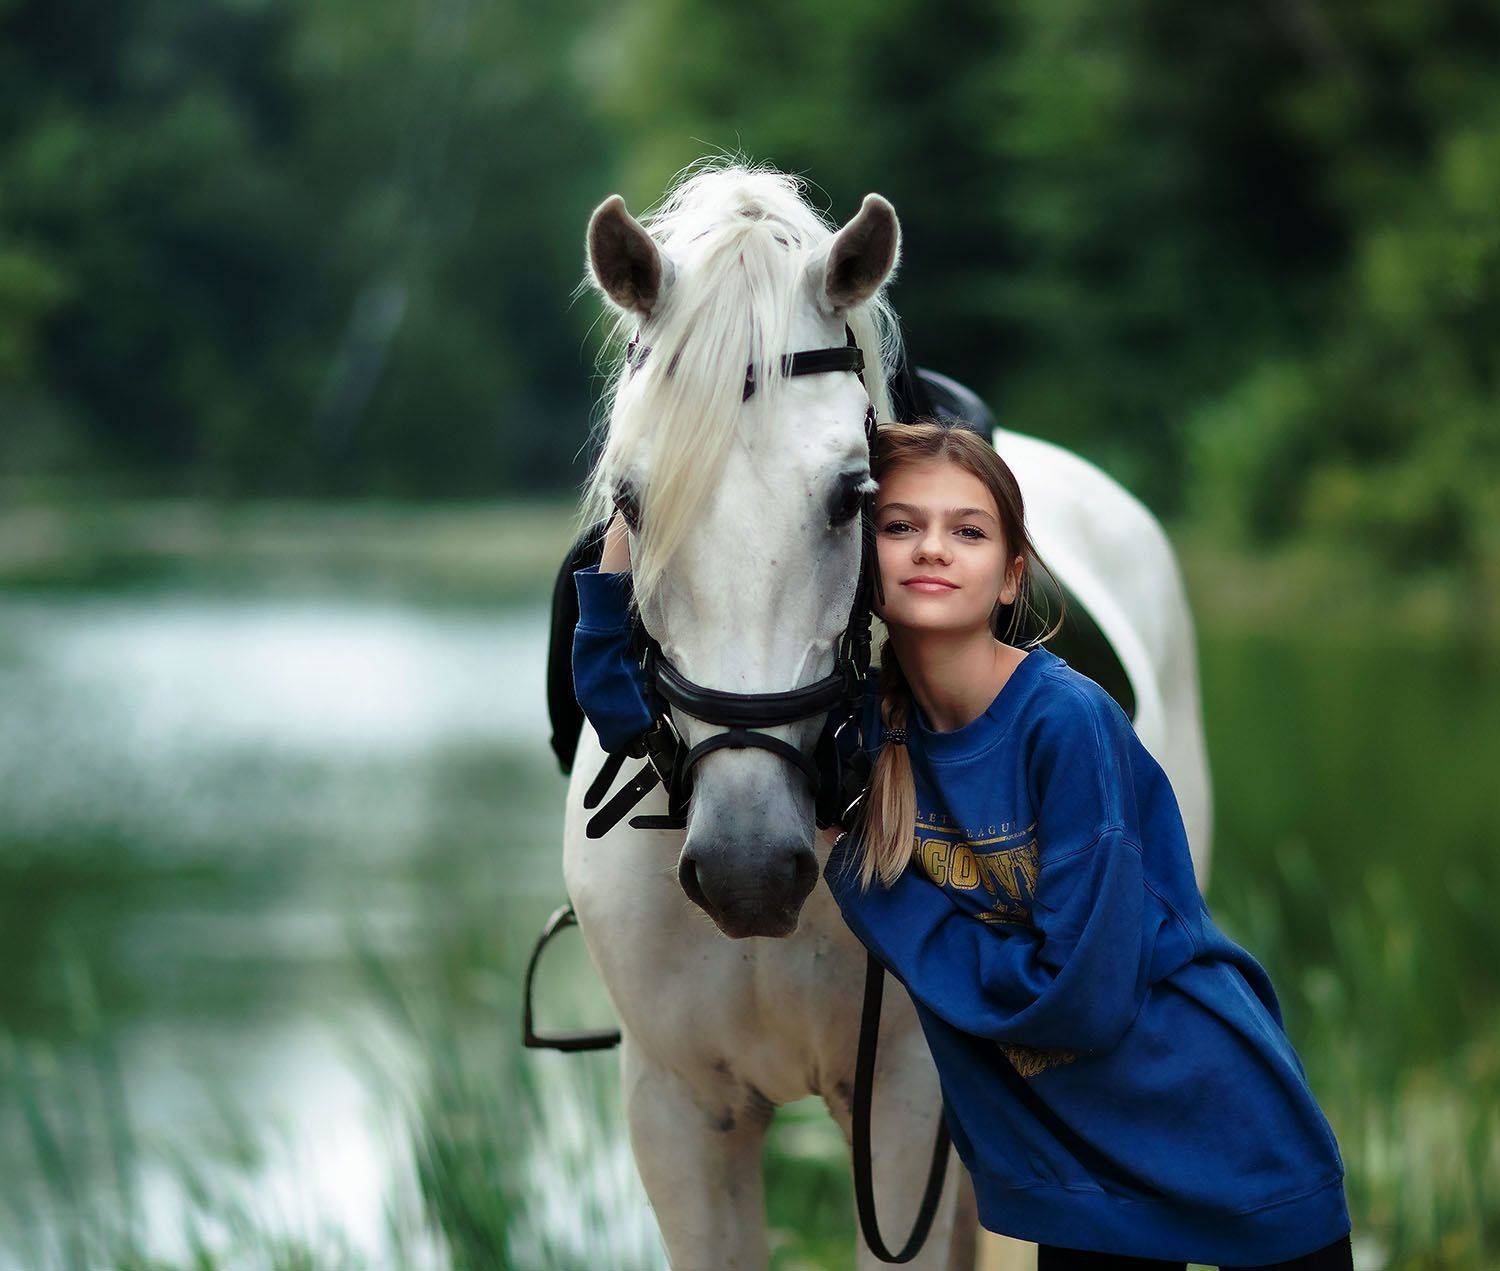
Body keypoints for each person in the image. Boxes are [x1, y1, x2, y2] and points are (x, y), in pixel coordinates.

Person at [569, 419, 1354, 1270]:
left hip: (1224, 1139)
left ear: (1012, 573)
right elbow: (619, 705)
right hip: (1087, 1178)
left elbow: (1081, 998)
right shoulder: (869, 736)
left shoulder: (1068, 722)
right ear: (855, 561)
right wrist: (632, 498)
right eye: (901, 526)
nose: (933, 548)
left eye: (969, 531)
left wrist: (880, 897)